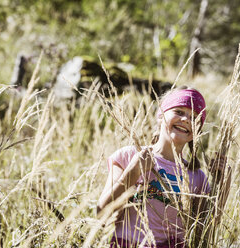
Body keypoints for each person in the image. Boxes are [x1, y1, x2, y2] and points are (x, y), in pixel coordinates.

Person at [97, 86, 228, 247]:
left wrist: (223, 184)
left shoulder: (196, 176)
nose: (186, 119)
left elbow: (205, 231)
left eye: (194, 117)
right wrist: (134, 171)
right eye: (179, 112)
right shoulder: (129, 156)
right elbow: (101, 212)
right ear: (161, 115)